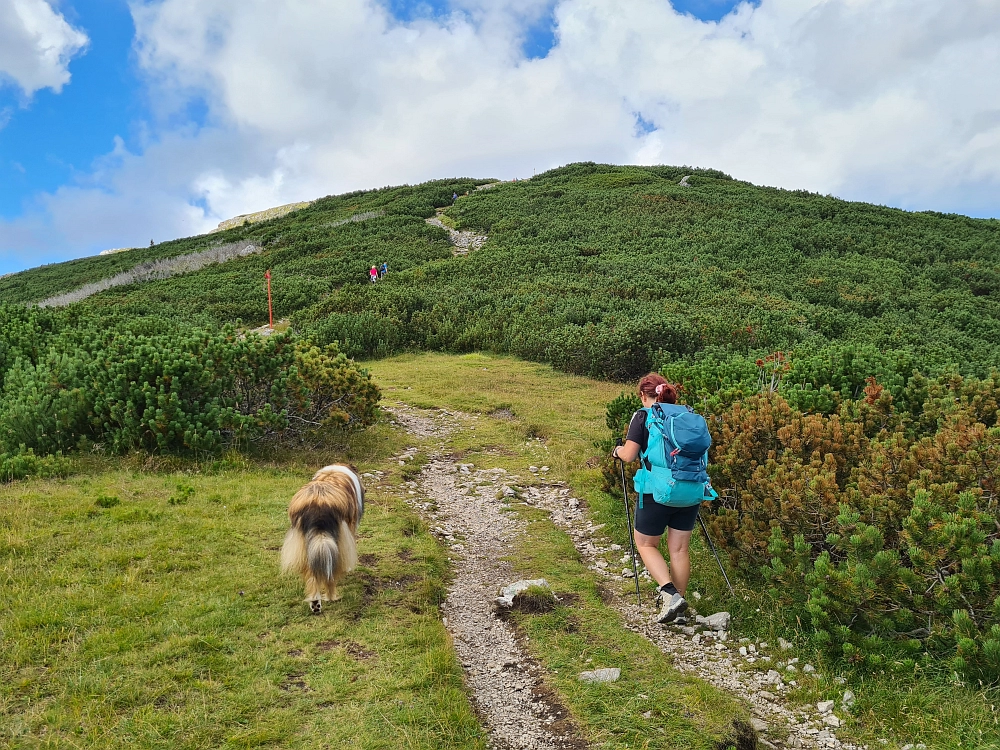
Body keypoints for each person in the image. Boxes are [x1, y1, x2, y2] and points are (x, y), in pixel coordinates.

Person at [611, 373, 697, 624]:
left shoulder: (643, 416)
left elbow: (629, 455)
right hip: (690, 490)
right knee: (679, 549)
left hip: (656, 491)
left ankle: (669, 594)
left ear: (642, 395)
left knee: (646, 544)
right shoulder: (686, 415)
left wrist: (616, 451)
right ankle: (678, 604)